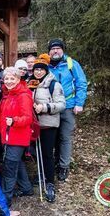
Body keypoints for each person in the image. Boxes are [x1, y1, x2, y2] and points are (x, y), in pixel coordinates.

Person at [47, 38, 88, 181]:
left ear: (62, 50)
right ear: (49, 52)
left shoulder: (71, 64)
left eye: (58, 48)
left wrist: (79, 103)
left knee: (65, 138)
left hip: (68, 106)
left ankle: (63, 166)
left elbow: (81, 83)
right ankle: (52, 164)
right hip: (51, 108)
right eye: (53, 49)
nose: (55, 51)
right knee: (53, 138)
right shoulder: (46, 65)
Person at [27, 54, 65, 202]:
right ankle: (41, 173)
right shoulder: (31, 83)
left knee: (48, 154)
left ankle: (50, 182)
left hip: (48, 124)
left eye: (41, 70)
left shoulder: (54, 85)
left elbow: (62, 105)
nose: (38, 72)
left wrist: (44, 107)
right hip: (33, 124)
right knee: (34, 152)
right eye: (36, 70)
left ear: (46, 70)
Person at [0, 67, 33, 206]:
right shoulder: (8, 94)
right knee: (17, 163)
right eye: (7, 79)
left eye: (13, 78)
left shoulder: (23, 95)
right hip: (7, 136)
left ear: (18, 79)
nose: (9, 81)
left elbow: (28, 118)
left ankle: (5, 199)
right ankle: (26, 188)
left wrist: (14, 121)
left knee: (9, 167)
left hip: (17, 138)